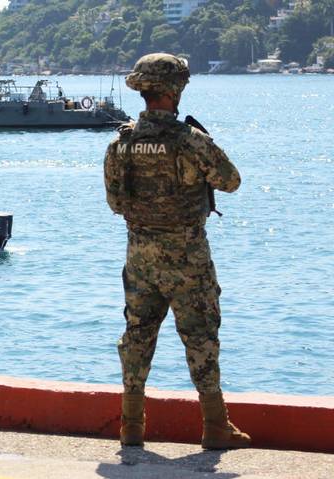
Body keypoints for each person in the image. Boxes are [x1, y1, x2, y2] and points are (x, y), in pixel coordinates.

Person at [103, 53, 250, 450]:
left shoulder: (121, 143)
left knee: (137, 336)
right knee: (200, 337)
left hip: (140, 256)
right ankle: (215, 427)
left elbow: (115, 202)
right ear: (173, 90)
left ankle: (131, 426)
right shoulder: (190, 140)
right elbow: (231, 181)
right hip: (187, 258)